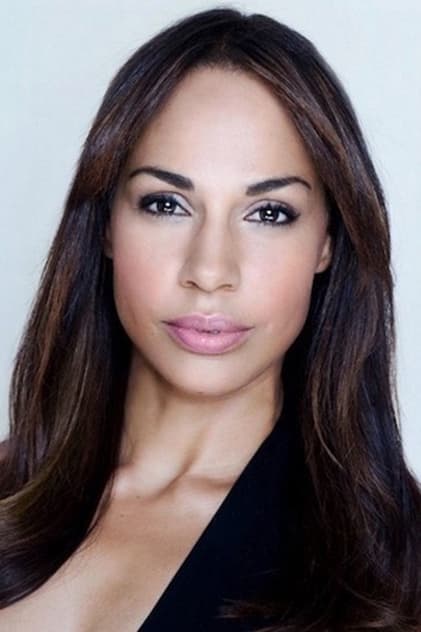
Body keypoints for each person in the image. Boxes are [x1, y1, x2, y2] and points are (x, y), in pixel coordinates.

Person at [0, 7, 420, 631]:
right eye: (166, 204)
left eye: (269, 213)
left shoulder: (394, 571)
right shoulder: (9, 489)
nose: (210, 269)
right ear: (107, 223)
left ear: (327, 243)